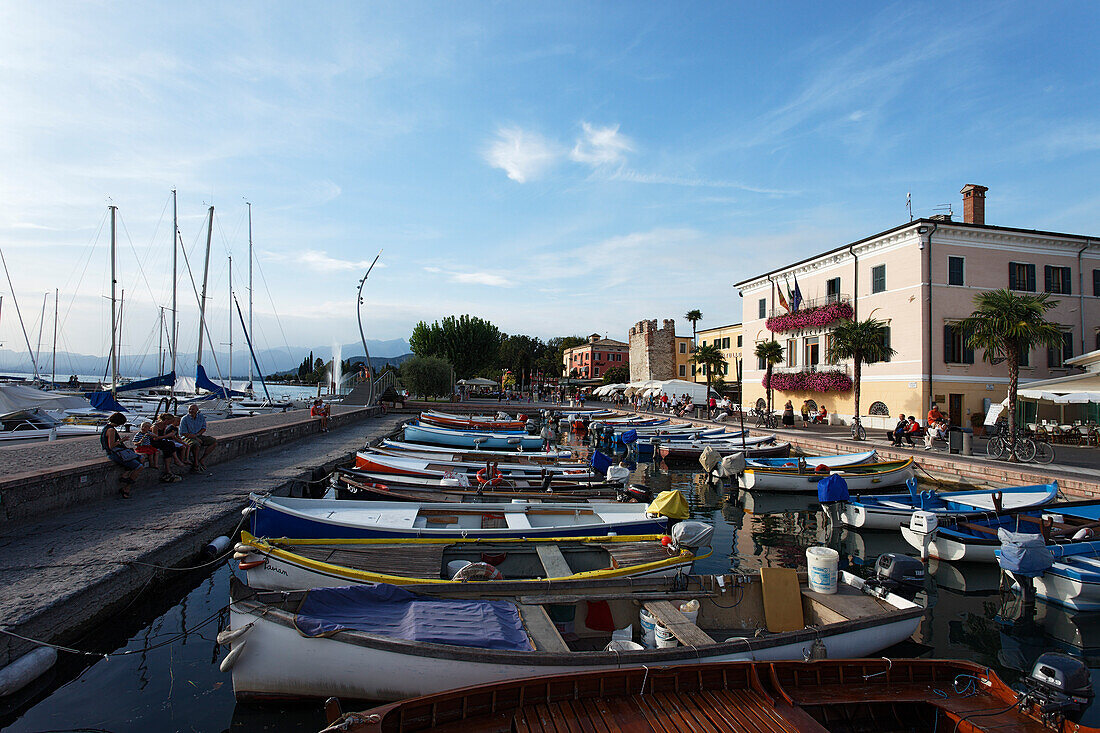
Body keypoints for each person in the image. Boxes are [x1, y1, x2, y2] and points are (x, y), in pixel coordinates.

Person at [101, 412, 142, 497]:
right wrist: (122, 440)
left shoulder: (107, 428)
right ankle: (127, 487)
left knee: (141, 458)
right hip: (115, 453)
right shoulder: (111, 430)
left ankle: (126, 473)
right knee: (139, 467)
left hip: (118, 452)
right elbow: (111, 445)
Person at [179, 403, 217, 472]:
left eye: (193, 409)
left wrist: (198, 435)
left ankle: (202, 459)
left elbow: (203, 428)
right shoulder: (184, 419)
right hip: (188, 437)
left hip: (198, 435)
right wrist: (195, 438)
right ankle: (196, 462)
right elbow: (183, 433)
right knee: (196, 444)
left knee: (213, 441)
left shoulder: (201, 417)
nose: (191, 411)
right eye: (190, 409)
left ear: (197, 410)